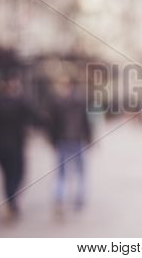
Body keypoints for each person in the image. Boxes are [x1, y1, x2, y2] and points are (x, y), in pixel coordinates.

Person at [0, 75, 34, 219]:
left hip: (0, 146)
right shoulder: (19, 102)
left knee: (7, 175)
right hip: (15, 145)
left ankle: (10, 200)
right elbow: (34, 115)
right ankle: (11, 201)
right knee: (18, 174)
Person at [47, 78, 91, 213]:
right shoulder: (80, 102)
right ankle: (78, 199)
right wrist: (89, 138)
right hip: (76, 140)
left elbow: (52, 125)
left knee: (62, 173)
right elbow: (86, 123)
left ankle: (60, 198)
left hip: (63, 141)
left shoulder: (57, 103)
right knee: (79, 172)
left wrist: (52, 140)